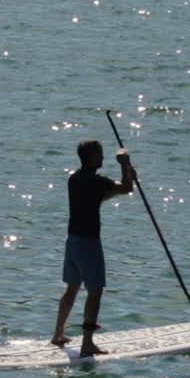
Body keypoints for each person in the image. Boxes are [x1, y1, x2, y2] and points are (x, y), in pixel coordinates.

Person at [51, 139, 136, 355]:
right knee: (95, 292)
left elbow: (103, 196)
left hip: (72, 242)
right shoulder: (97, 182)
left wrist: (127, 173)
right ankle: (87, 343)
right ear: (90, 157)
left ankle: (58, 334)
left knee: (72, 288)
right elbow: (126, 188)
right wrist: (125, 165)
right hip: (89, 244)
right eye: (99, 154)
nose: (103, 158)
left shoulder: (74, 179)